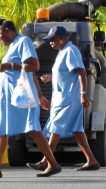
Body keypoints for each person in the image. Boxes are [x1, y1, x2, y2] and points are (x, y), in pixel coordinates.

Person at [0, 19, 61, 178]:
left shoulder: (24, 41)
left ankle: (53, 164)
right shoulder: (13, 47)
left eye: (0, 35)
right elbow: (30, 74)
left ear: (8, 30)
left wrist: (9, 66)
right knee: (1, 130)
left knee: (33, 129)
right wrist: (41, 96)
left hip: (22, 98)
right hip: (10, 100)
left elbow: (34, 66)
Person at [30, 25, 100, 171]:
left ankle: (47, 162)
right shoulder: (62, 52)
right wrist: (51, 77)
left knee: (55, 129)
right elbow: (67, 73)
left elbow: (81, 72)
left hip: (69, 99)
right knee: (77, 130)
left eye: (53, 39)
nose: (51, 42)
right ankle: (92, 161)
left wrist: (83, 95)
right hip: (63, 98)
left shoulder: (70, 50)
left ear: (62, 38)